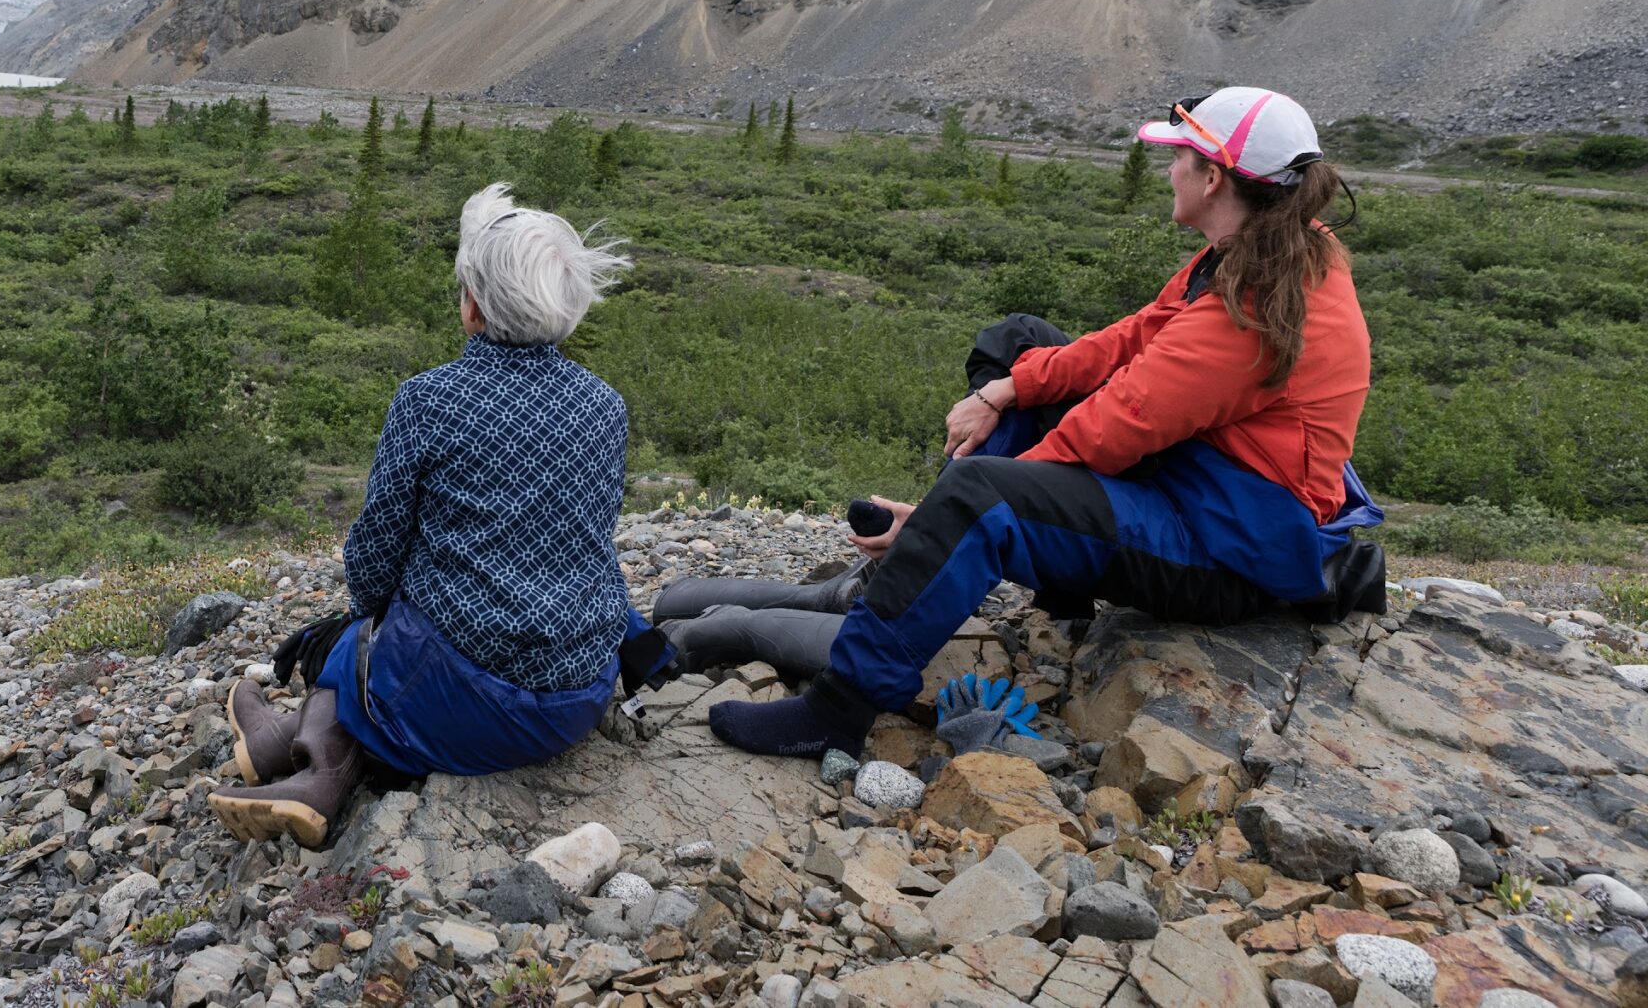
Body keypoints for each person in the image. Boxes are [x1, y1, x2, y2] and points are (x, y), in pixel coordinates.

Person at [705, 86, 1388, 762]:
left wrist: (949, 507)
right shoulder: (1269, 248)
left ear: (1213, 177)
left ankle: (838, 707)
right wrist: (1007, 387)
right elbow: (1134, 339)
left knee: (981, 501)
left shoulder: (1255, 305)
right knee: (1019, 343)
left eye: (1178, 156)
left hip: (1229, 548)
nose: (1168, 168)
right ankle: (975, 579)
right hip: (1206, 480)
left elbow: (1113, 428)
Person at [210, 182, 657, 846]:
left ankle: (314, 761)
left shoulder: (429, 400)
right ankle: (285, 748)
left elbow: (373, 562)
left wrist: (369, 620)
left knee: (362, 635)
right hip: (578, 700)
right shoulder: (605, 405)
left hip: (465, 714)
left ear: (472, 305)